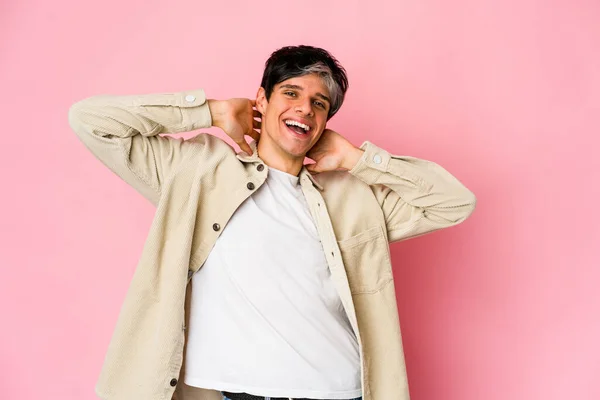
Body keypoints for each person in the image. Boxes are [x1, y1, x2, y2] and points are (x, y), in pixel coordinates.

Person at [68, 45, 476, 400]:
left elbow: (453, 203)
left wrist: (358, 159)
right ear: (261, 100)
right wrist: (209, 110)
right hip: (232, 392)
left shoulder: (352, 197)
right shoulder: (195, 168)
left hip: (338, 389)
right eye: (292, 92)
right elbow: (90, 121)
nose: (305, 108)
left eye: (319, 103)